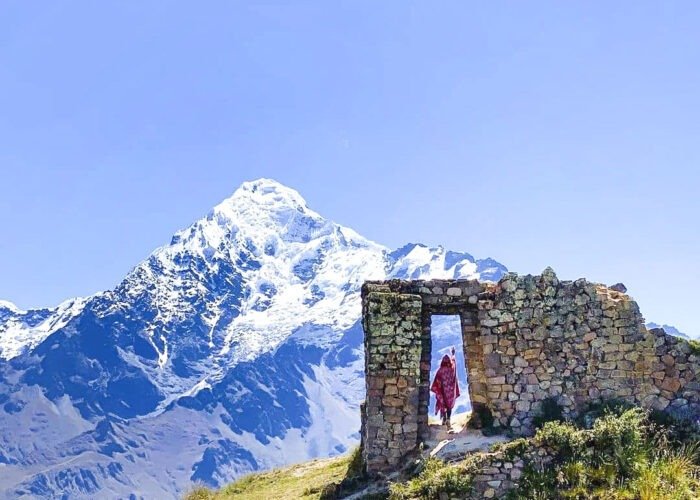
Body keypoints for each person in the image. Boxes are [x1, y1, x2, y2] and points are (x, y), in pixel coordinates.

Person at [431, 348, 460, 427]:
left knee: (443, 404)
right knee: (449, 406)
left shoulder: (440, 371)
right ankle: (448, 420)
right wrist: (453, 354)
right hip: (450, 393)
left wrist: (438, 389)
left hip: (443, 392)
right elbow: (453, 361)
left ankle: (444, 419)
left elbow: (436, 381)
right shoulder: (452, 369)